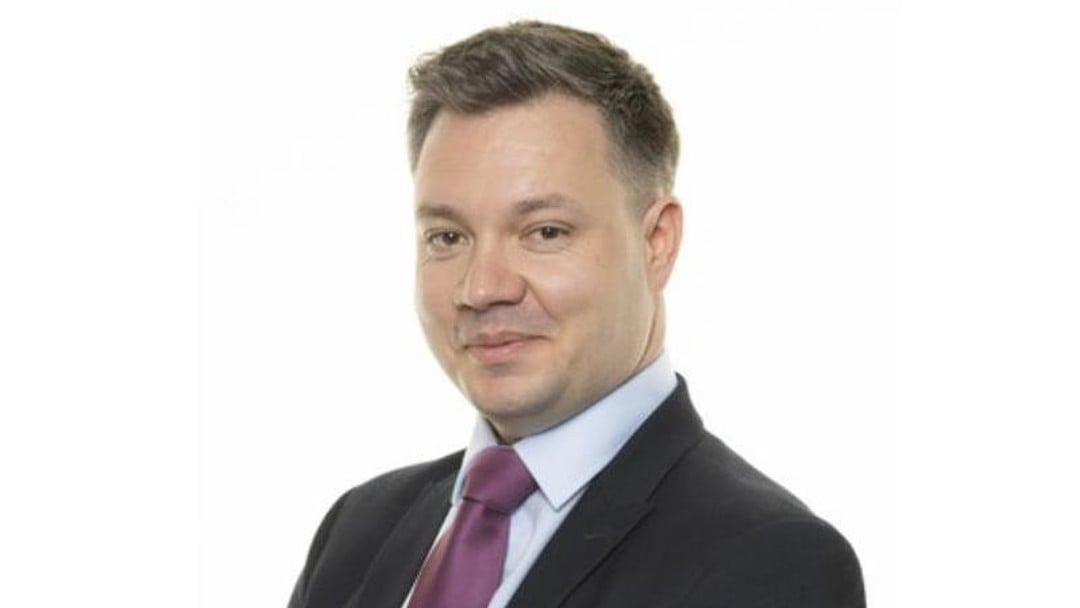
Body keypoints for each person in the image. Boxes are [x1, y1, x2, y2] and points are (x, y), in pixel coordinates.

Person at [288, 20, 864, 608]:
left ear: (657, 242)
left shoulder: (769, 561)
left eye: (544, 231)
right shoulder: (359, 530)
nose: (482, 288)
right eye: (448, 237)